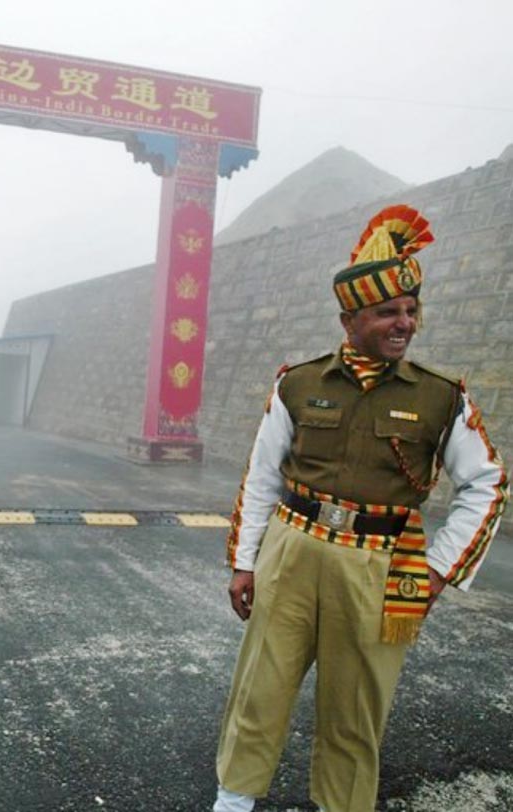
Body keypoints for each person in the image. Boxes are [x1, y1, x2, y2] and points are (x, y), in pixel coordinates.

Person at [212, 205, 509, 812]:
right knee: (258, 692)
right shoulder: (296, 383)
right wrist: (245, 563)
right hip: (291, 552)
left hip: (381, 566)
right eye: (387, 312)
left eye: (410, 311)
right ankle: (232, 804)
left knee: (355, 711)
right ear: (349, 319)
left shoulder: (440, 397)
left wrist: (435, 570)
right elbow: (262, 475)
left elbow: (488, 484)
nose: (404, 324)